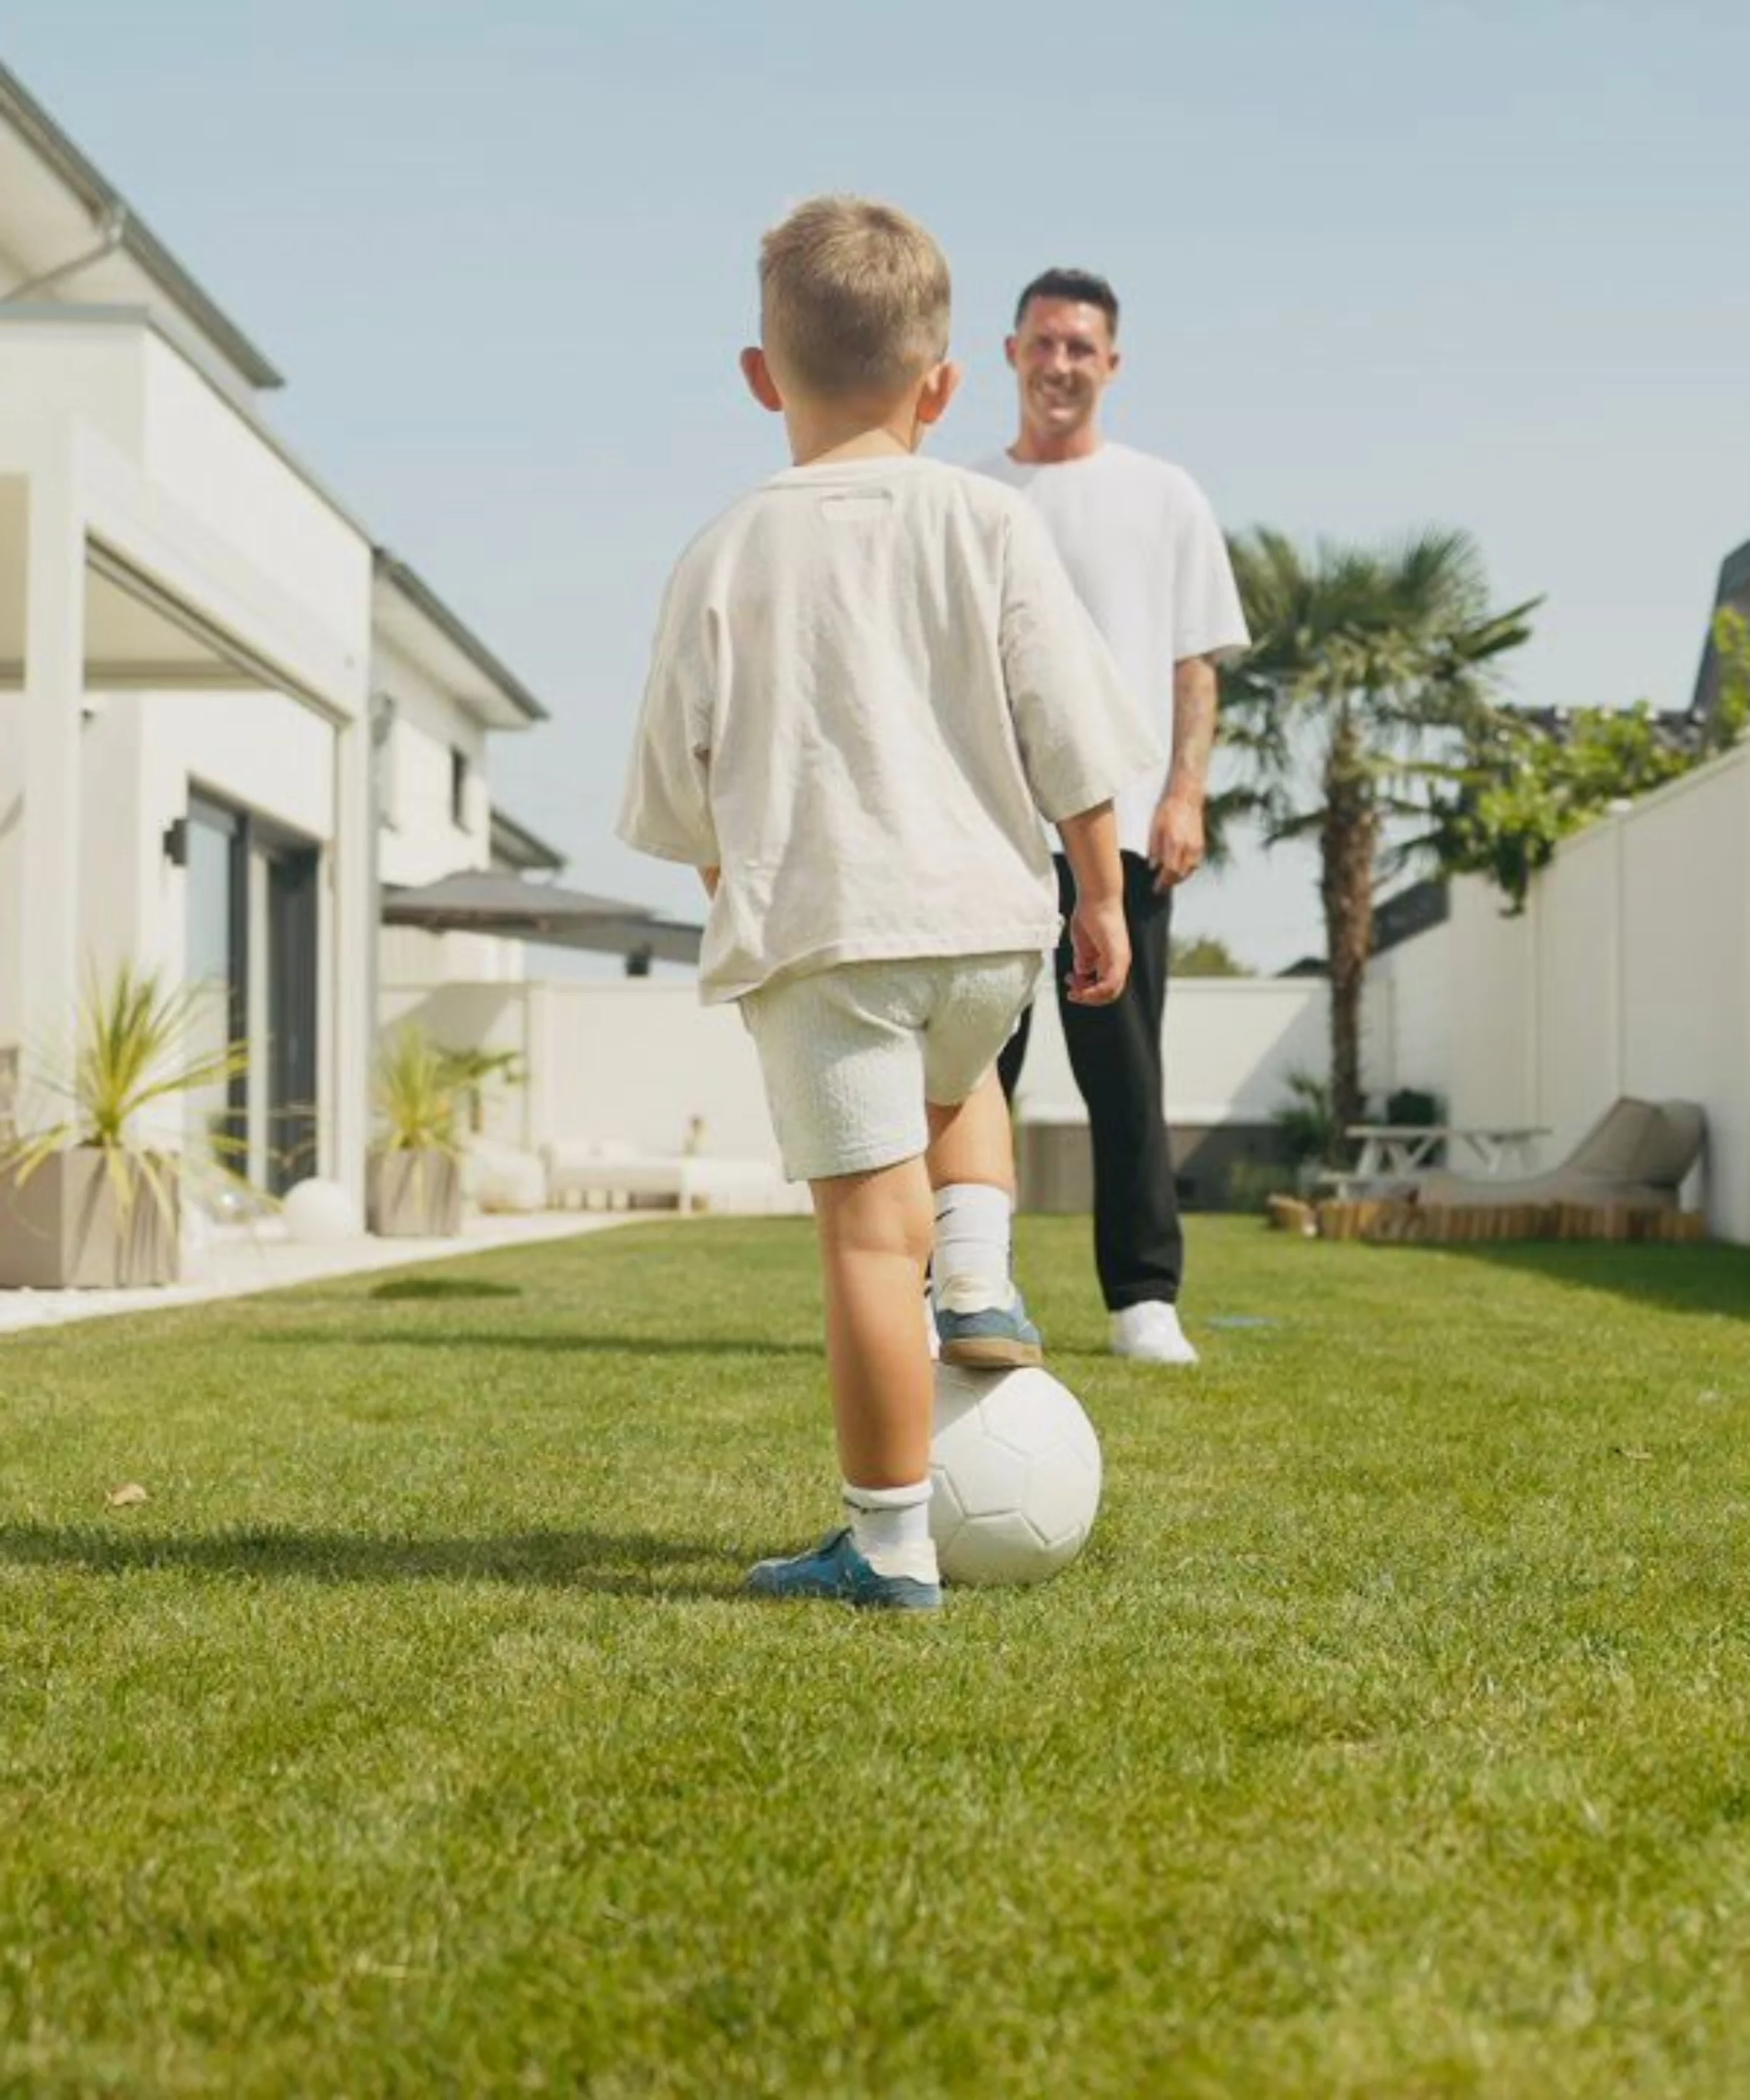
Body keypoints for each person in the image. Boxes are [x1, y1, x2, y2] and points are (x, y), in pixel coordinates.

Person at [618, 200, 1158, 1610]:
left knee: (867, 1233)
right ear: (944, 385)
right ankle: (978, 1278)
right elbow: (1070, 727)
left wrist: (731, 883)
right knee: (961, 1066)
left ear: (761, 375)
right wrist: (1098, 891)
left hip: (830, 937)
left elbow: (682, 777)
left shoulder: (723, 551)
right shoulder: (993, 521)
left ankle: (890, 1542)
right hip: (987, 925)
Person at [976, 268, 1250, 1368]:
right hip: (990, 834)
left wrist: (1184, 791)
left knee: (1126, 1071)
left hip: (1123, 835)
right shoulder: (971, 496)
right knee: (971, 1072)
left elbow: (1194, 664)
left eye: (1081, 348)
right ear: (1010, 353)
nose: (1060, 365)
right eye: (1043, 344)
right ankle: (963, 1284)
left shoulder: (1166, 496)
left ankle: (1144, 1298)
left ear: (1112, 364)